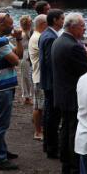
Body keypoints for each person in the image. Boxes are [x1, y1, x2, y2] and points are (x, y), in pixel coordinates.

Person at [52, 13, 87, 174]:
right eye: (82, 26)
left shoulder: (58, 41)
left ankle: (66, 164)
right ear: (73, 27)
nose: (85, 29)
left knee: (66, 128)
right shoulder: (74, 46)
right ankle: (75, 167)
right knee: (74, 131)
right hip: (72, 93)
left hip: (61, 92)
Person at [0, 13, 25, 170]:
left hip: (1, 85)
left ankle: (1, 151)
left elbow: (18, 54)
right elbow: (16, 60)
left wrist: (18, 39)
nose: (12, 27)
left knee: (1, 121)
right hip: (1, 86)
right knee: (1, 123)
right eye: (10, 24)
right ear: (1, 24)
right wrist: (18, 41)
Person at [39, 9, 65, 160]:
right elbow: (50, 62)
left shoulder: (46, 34)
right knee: (52, 116)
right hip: (52, 83)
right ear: (55, 20)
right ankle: (52, 147)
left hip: (48, 81)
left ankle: (48, 145)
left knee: (50, 114)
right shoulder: (50, 37)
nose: (63, 21)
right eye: (62, 19)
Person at [28, 14, 47, 142]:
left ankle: (41, 129)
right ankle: (38, 131)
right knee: (38, 107)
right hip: (39, 76)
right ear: (42, 24)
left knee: (40, 106)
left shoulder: (37, 36)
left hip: (38, 75)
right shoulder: (37, 37)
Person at [17, 15, 35, 105]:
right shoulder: (21, 33)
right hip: (24, 54)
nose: (31, 23)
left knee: (31, 76)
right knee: (25, 76)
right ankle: (26, 97)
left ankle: (30, 95)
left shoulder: (31, 31)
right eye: (30, 22)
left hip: (31, 54)